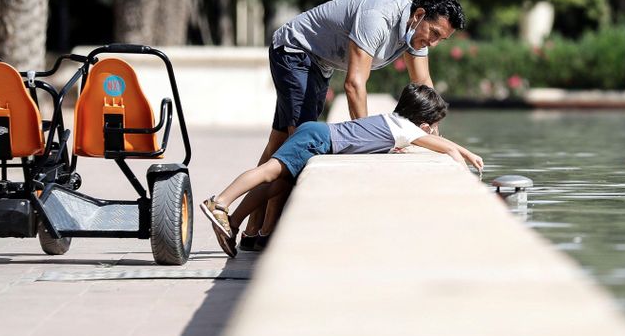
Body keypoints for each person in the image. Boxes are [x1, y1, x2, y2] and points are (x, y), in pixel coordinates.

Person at [236, 0, 467, 251]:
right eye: (434, 34)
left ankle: (249, 231)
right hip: (294, 51)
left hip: (319, 63)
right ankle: (266, 233)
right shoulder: (377, 18)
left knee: (278, 142)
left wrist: (436, 137)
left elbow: (423, 85)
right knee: (296, 148)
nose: (433, 43)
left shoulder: (416, 33)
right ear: (419, 15)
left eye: (441, 39)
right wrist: (371, 141)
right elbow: (355, 84)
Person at [200, 83, 484, 257]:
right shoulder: (407, 129)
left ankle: (233, 223)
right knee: (268, 172)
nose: (435, 133)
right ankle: (220, 202)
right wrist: (467, 163)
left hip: (318, 135)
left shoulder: (395, 122)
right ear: (424, 126)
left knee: (277, 183)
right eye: (434, 127)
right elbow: (444, 148)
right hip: (317, 139)